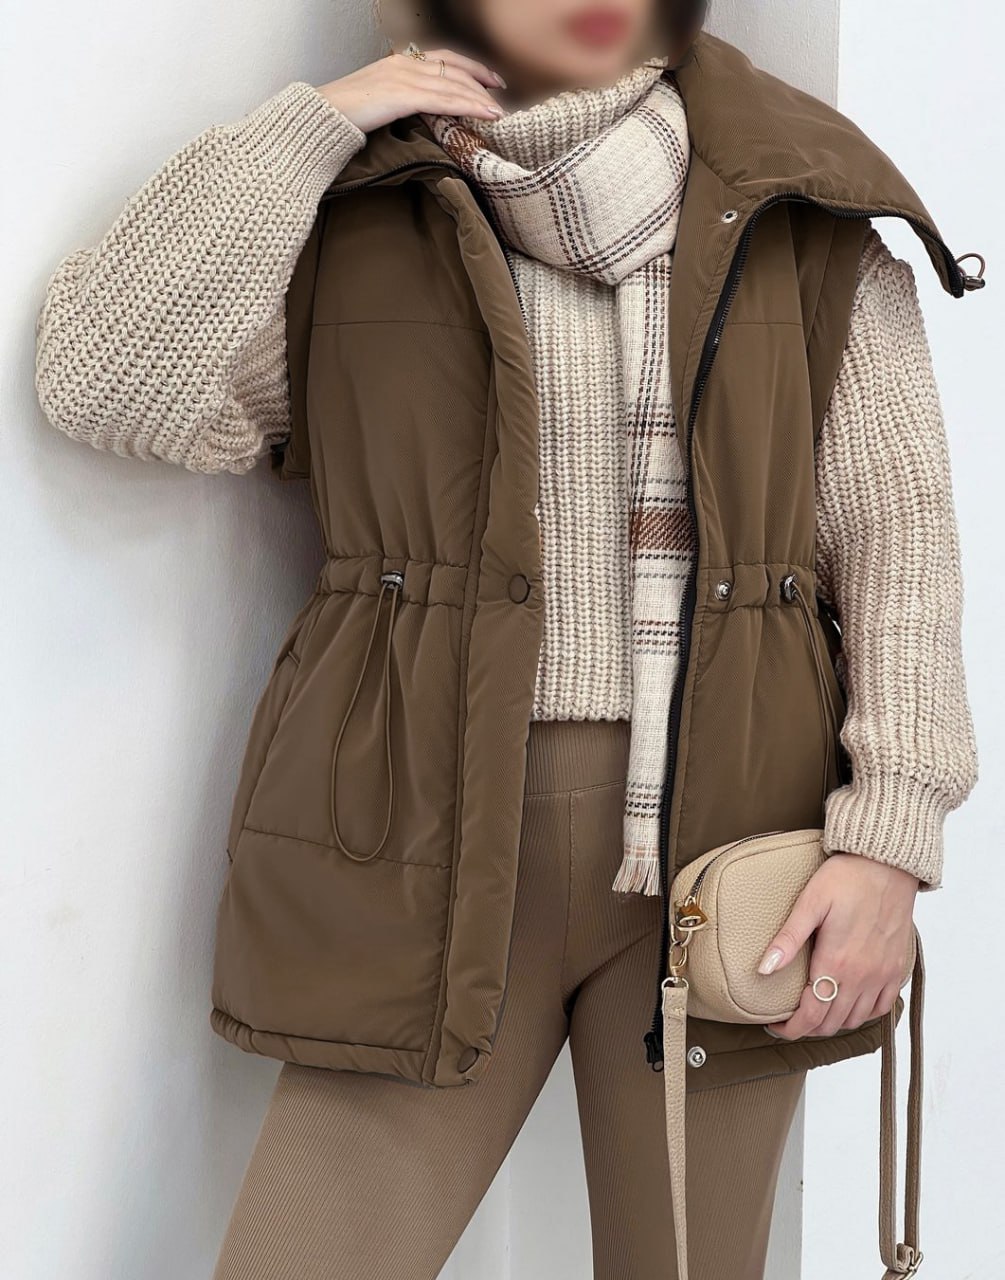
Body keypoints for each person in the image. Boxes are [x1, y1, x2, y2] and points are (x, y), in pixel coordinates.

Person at [33, 1, 981, 1276]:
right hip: (417, 838)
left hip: (733, 851)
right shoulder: (365, 213)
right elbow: (106, 386)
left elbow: (899, 542)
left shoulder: (800, 210)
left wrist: (891, 841)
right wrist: (316, 126)